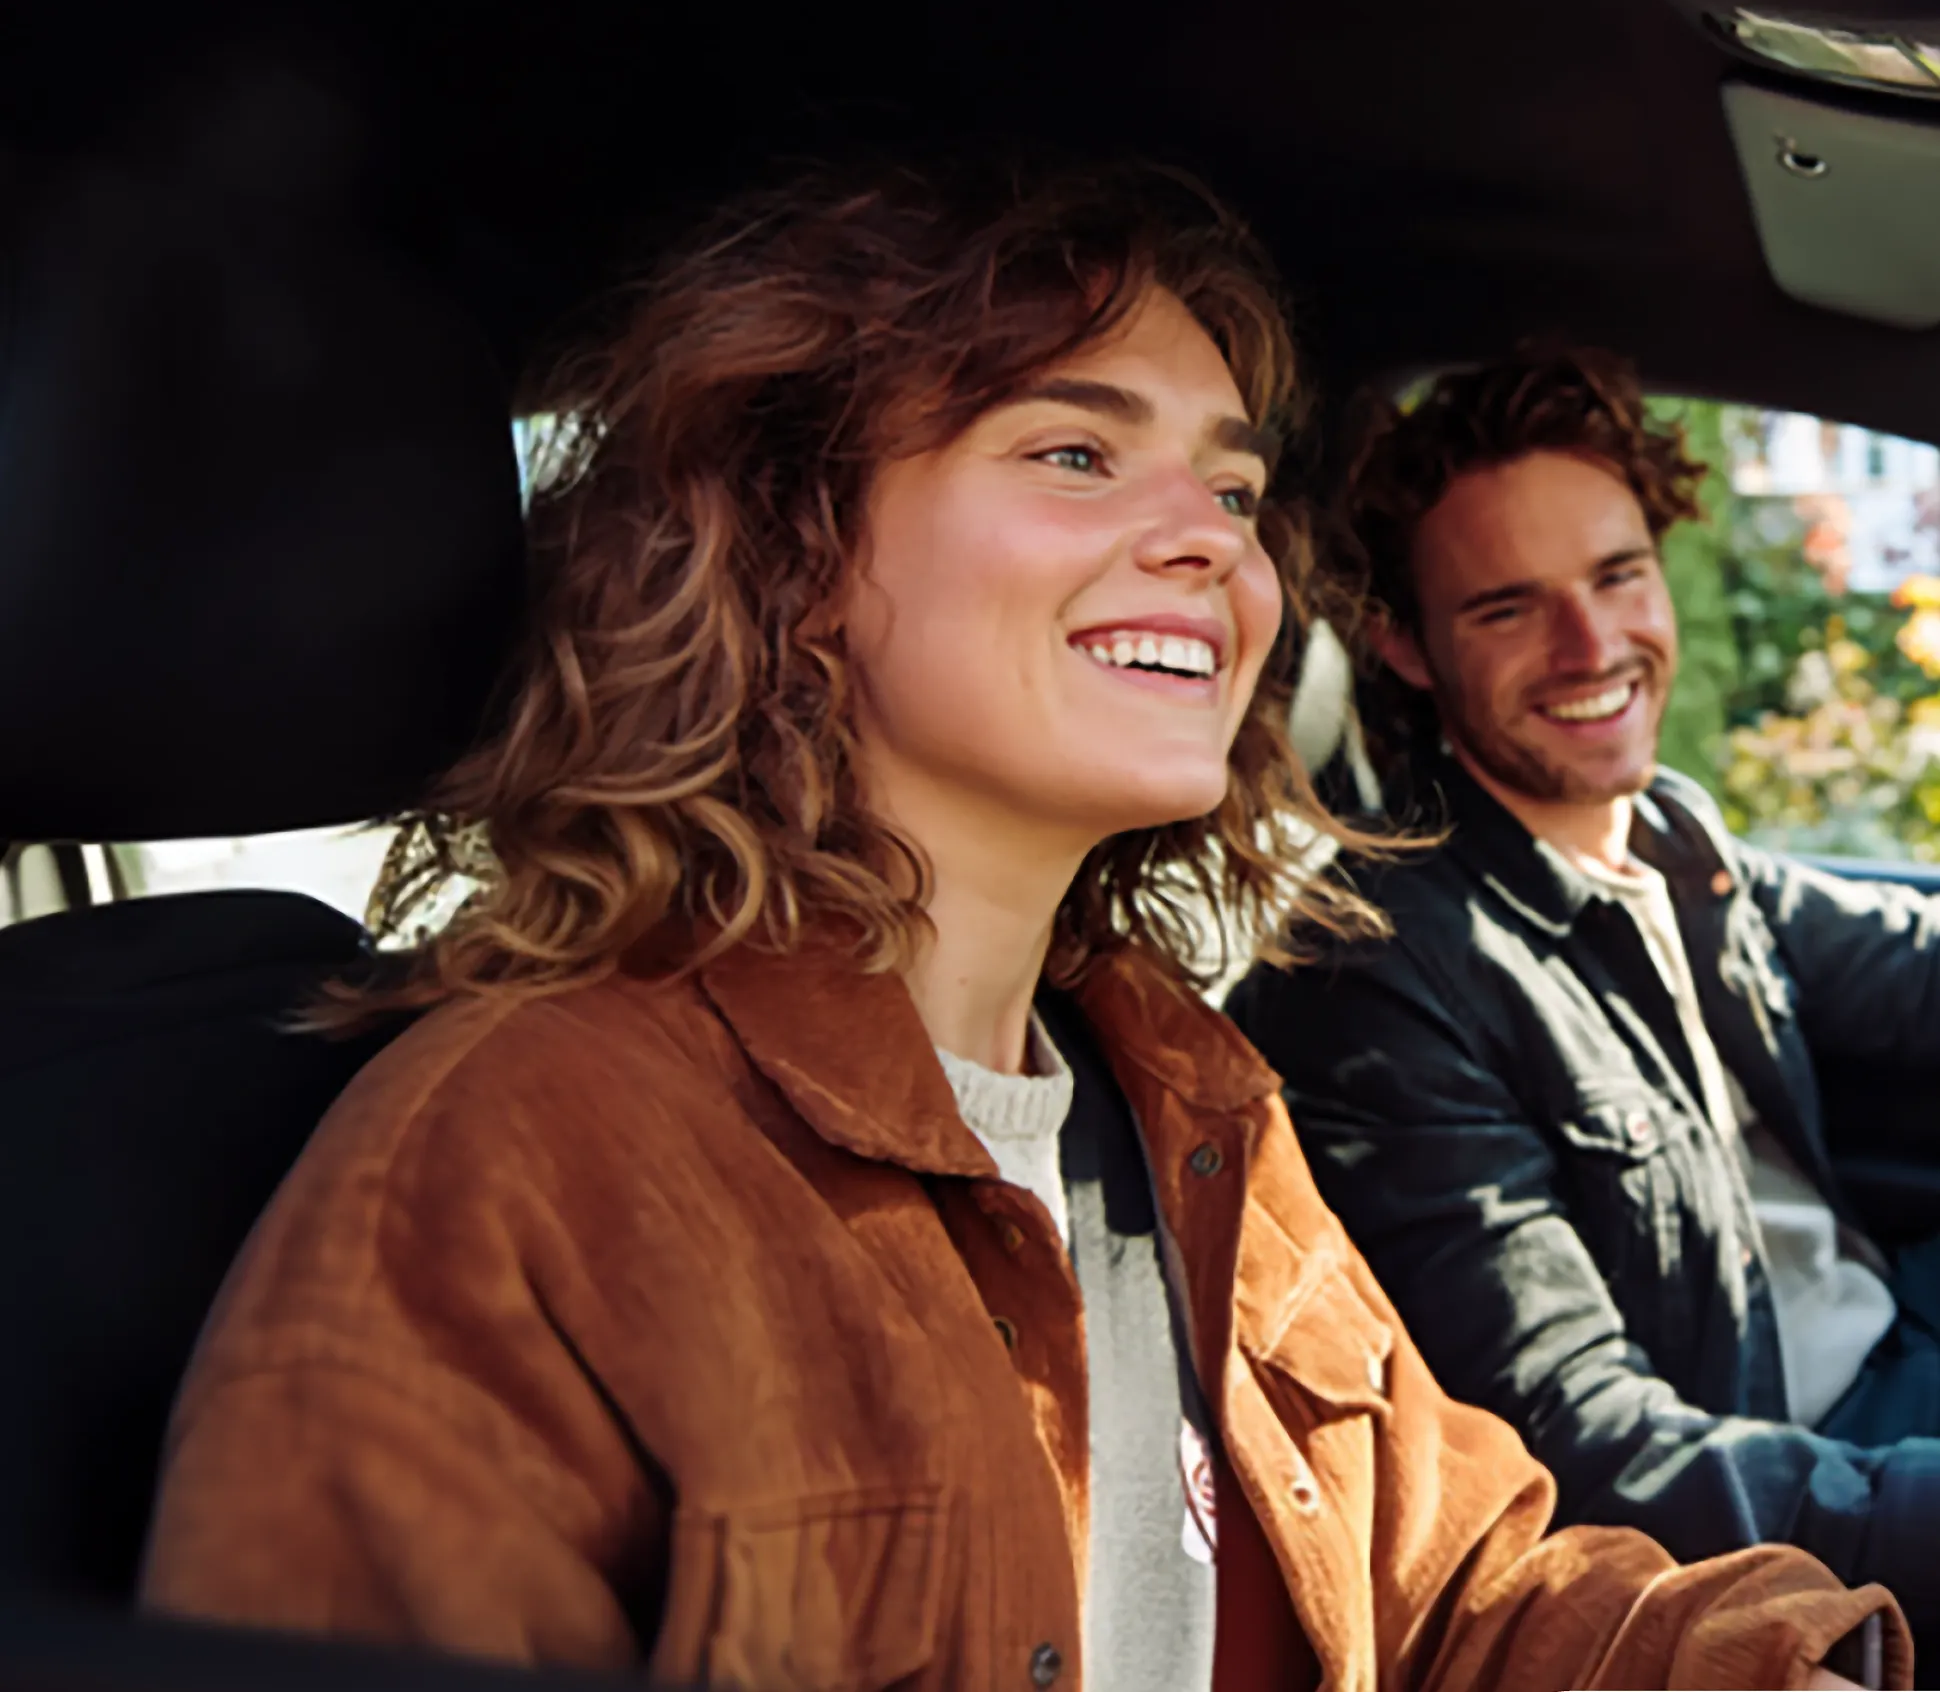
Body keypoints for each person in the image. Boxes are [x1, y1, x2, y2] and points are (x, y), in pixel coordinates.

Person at [141, 178, 1898, 1690]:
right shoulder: (512, 1160)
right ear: (793, 552)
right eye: (1075, 453)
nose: (1211, 548)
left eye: (1228, 489)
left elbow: (1463, 1595)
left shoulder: (1182, 1095)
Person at [1228, 340, 1940, 1657]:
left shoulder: (1665, 830)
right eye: (1508, 607)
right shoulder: (1381, 974)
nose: (1592, 642)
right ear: (1406, 646)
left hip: (1898, 1334)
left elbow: (1909, 962)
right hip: (1806, 1475)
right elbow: (1584, 1445)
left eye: (1619, 575)